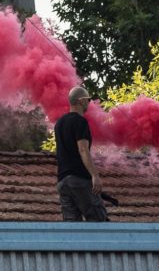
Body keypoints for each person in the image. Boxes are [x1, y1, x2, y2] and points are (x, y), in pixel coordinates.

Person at [54, 86, 108, 221]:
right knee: (98, 220)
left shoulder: (59, 123)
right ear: (82, 101)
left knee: (72, 227)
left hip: (62, 182)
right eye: (88, 100)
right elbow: (82, 149)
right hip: (79, 179)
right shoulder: (80, 121)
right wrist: (95, 176)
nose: (89, 103)